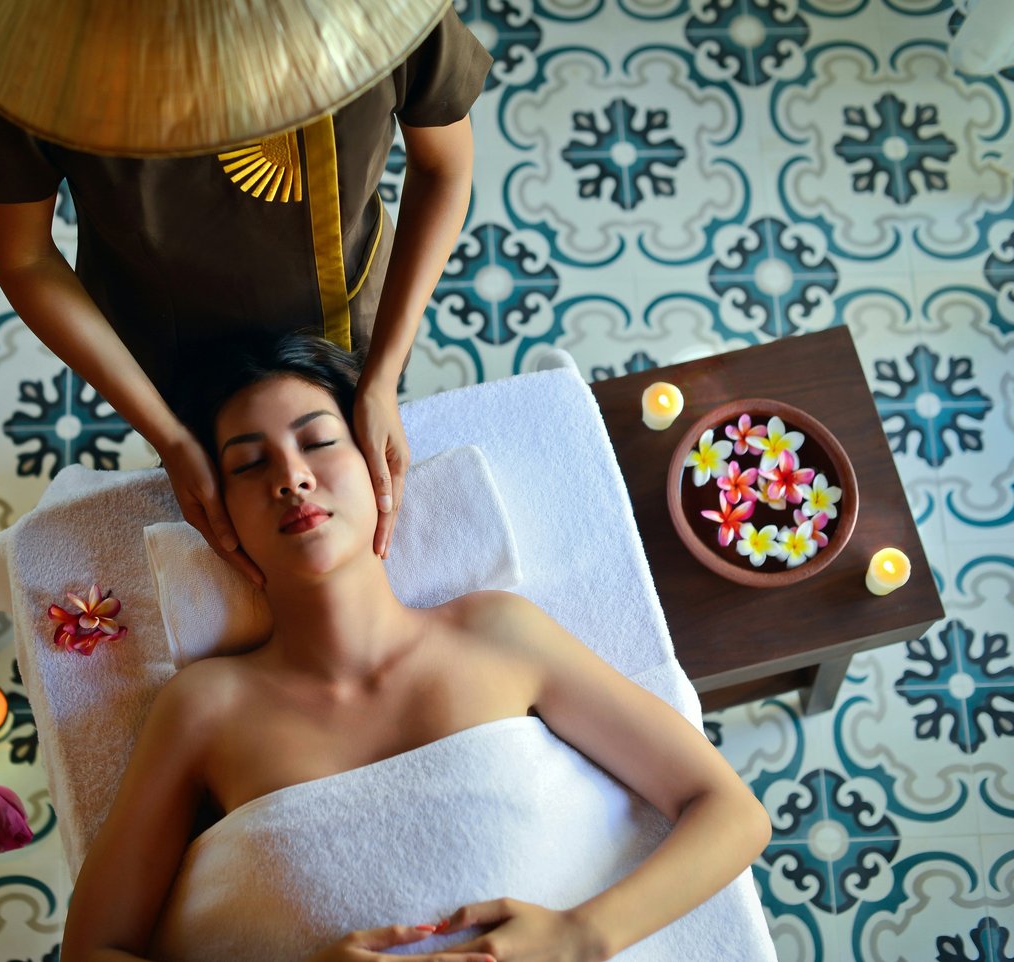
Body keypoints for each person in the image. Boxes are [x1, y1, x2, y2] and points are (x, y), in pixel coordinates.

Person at [58, 334, 773, 962]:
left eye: (318, 441)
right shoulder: (203, 707)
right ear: (216, 512)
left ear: (378, 465)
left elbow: (728, 809)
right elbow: (96, 950)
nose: (291, 477)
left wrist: (582, 936)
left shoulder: (496, 633)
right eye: (249, 464)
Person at [0, 5, 493, 585]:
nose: (295, 481)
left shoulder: (382, 14)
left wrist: (379, 378)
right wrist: (169, 435)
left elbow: (443, 169)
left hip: (349, 326)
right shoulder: (44, 50)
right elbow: (23, 255)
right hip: (173, 357)